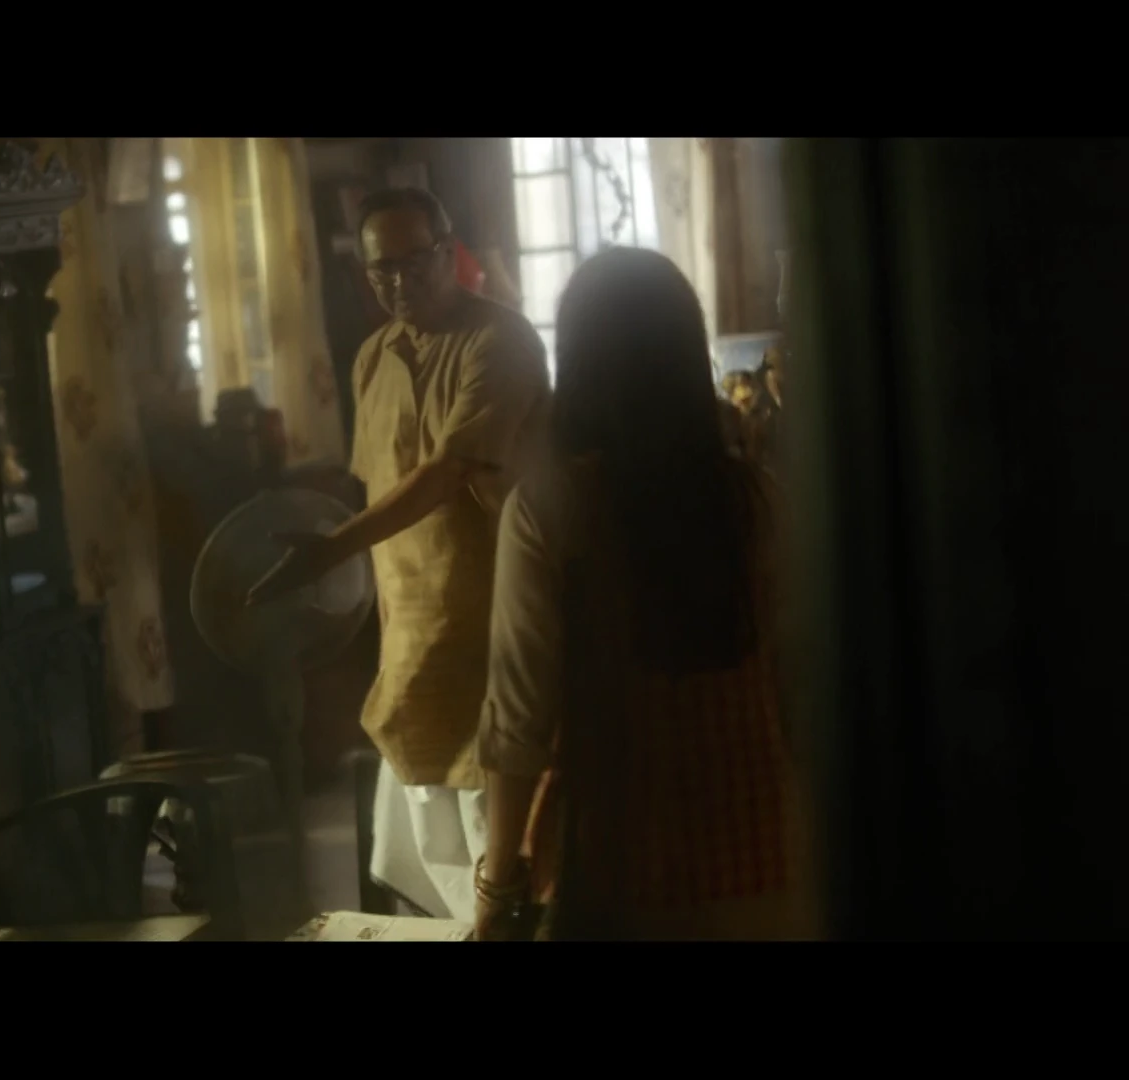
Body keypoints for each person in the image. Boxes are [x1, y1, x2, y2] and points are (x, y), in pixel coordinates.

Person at [472, 247, 810, 941]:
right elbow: (796, 680)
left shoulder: (548, 509)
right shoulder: (756, 498)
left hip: (618, 869)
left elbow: (518, 721)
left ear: (577, 363)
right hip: (764, 858)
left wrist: (496, 883)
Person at [246, 187, 550, 920]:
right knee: (425, 851)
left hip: (491, 625)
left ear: (450, 253)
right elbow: (378, 485)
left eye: (418, 261)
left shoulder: (499, 341)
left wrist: (329, 552)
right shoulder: (372, 357)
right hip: (411, 638)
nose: (401, 281)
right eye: (383, 269)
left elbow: (448, 470)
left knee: (500, 851)